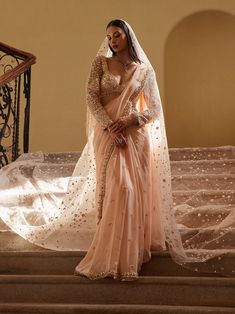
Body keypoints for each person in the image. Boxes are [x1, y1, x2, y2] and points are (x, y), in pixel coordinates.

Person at [0, 19, 234, 280]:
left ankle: (131, 254)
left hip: (135, 136)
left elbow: (155, 109)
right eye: (109, 36)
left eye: (117, 35)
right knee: (120, 187)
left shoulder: (144, 70)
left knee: (134, 190)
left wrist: (131, 121)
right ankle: (112, 254)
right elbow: (91, 97)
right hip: (108, 135)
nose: (112, 40)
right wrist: (111, 125)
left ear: (128, 36)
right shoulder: (100, 64)